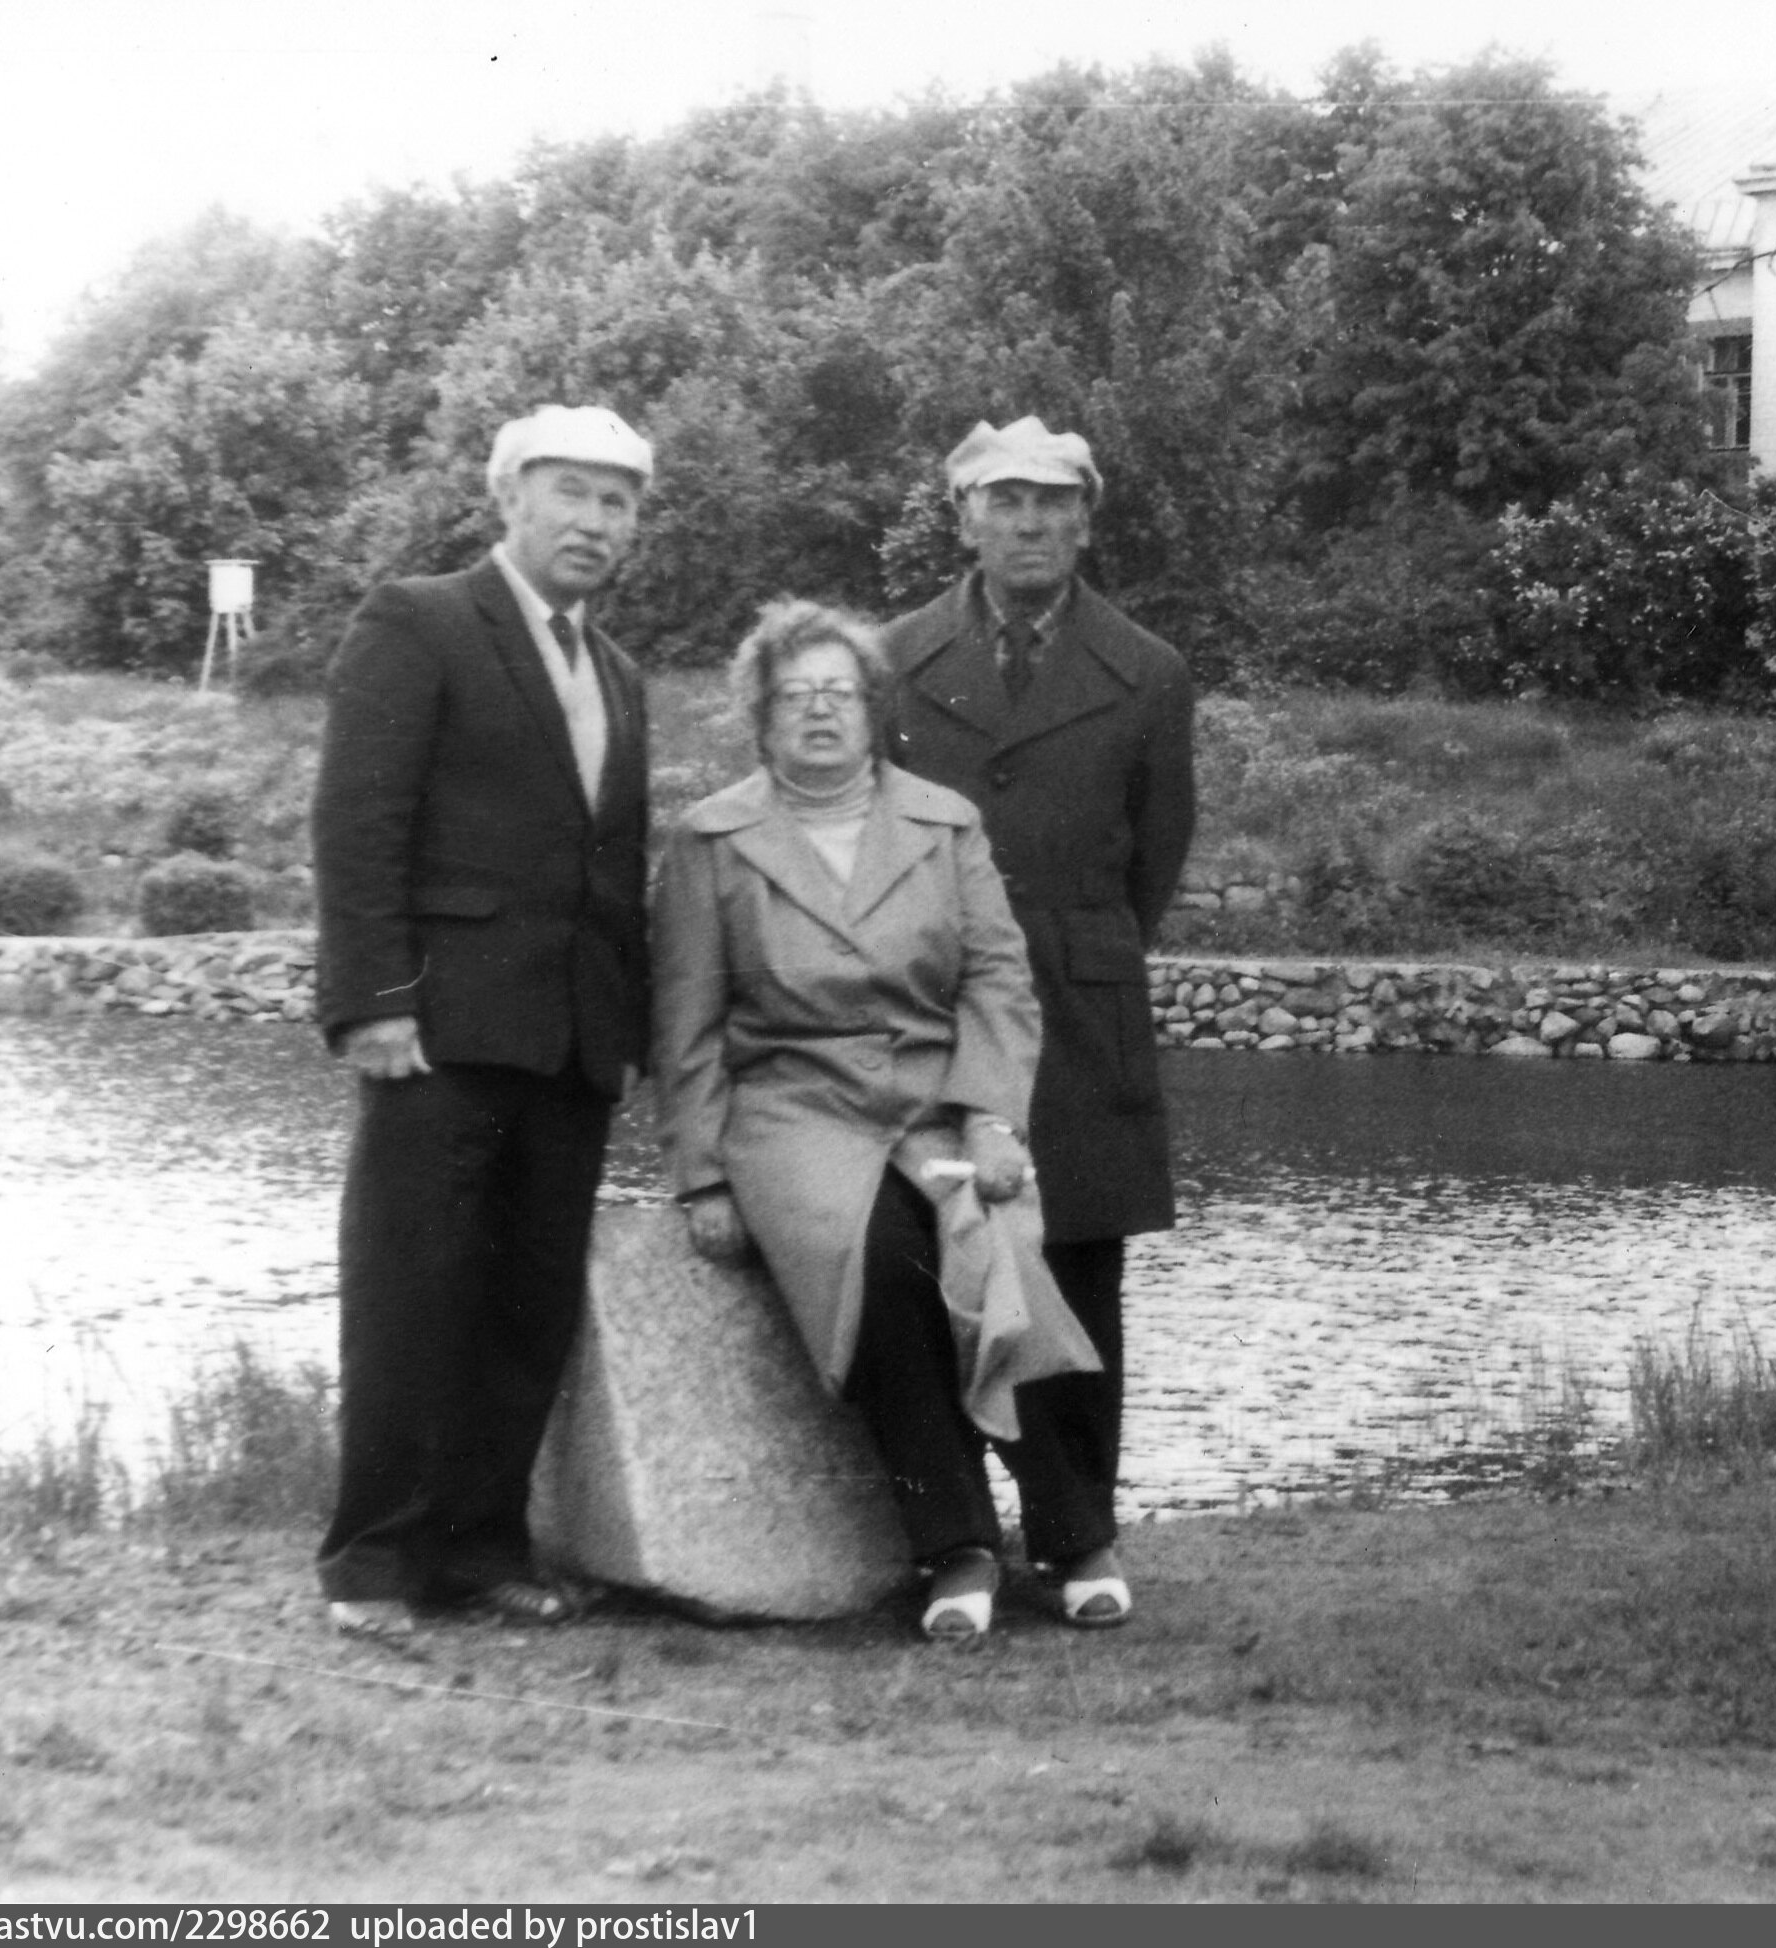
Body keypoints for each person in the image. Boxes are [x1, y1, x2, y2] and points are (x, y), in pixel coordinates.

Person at [310, 404, 656, 1637]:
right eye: (571, 492)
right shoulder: (420, 619)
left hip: (570, 1041)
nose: (594, 521)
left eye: (617, 502)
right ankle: (372, 1561)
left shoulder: (618, 672)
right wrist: (373, 1003)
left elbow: (614, 865)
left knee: (525, 1302)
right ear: (510, 497)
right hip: (440, 1030)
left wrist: (629, 1033)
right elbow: (359, 821)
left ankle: (477, 1549)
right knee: (411, 1290)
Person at [655, 599, 1054, 1641]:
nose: (820, 711)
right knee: (881, 1261)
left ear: (875, 708)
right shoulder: (710, 839)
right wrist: (702, 1176)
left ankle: (1076, 1534)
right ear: (762, 716)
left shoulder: (946, 822)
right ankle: (958, 1548)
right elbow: (686, 1023)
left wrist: (991, 1118)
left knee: (1002, 1242)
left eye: (839, 691)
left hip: (931, 1095)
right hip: (791, 1107)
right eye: (795, 695)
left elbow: (997, 980)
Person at [879, 416, 1196, 1629]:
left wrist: (1071, 947)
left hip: (1077, 999)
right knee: (931, 1254)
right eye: (1004, 501)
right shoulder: (892, 660)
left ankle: (1079, 1539)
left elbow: (1153, 856)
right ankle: (953, 1537)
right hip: (928, 999)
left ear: (1085, 519)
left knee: (1077, 1265)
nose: (1028, 523)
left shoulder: (1148, 671)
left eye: (1053, 502)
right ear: (962, 516)